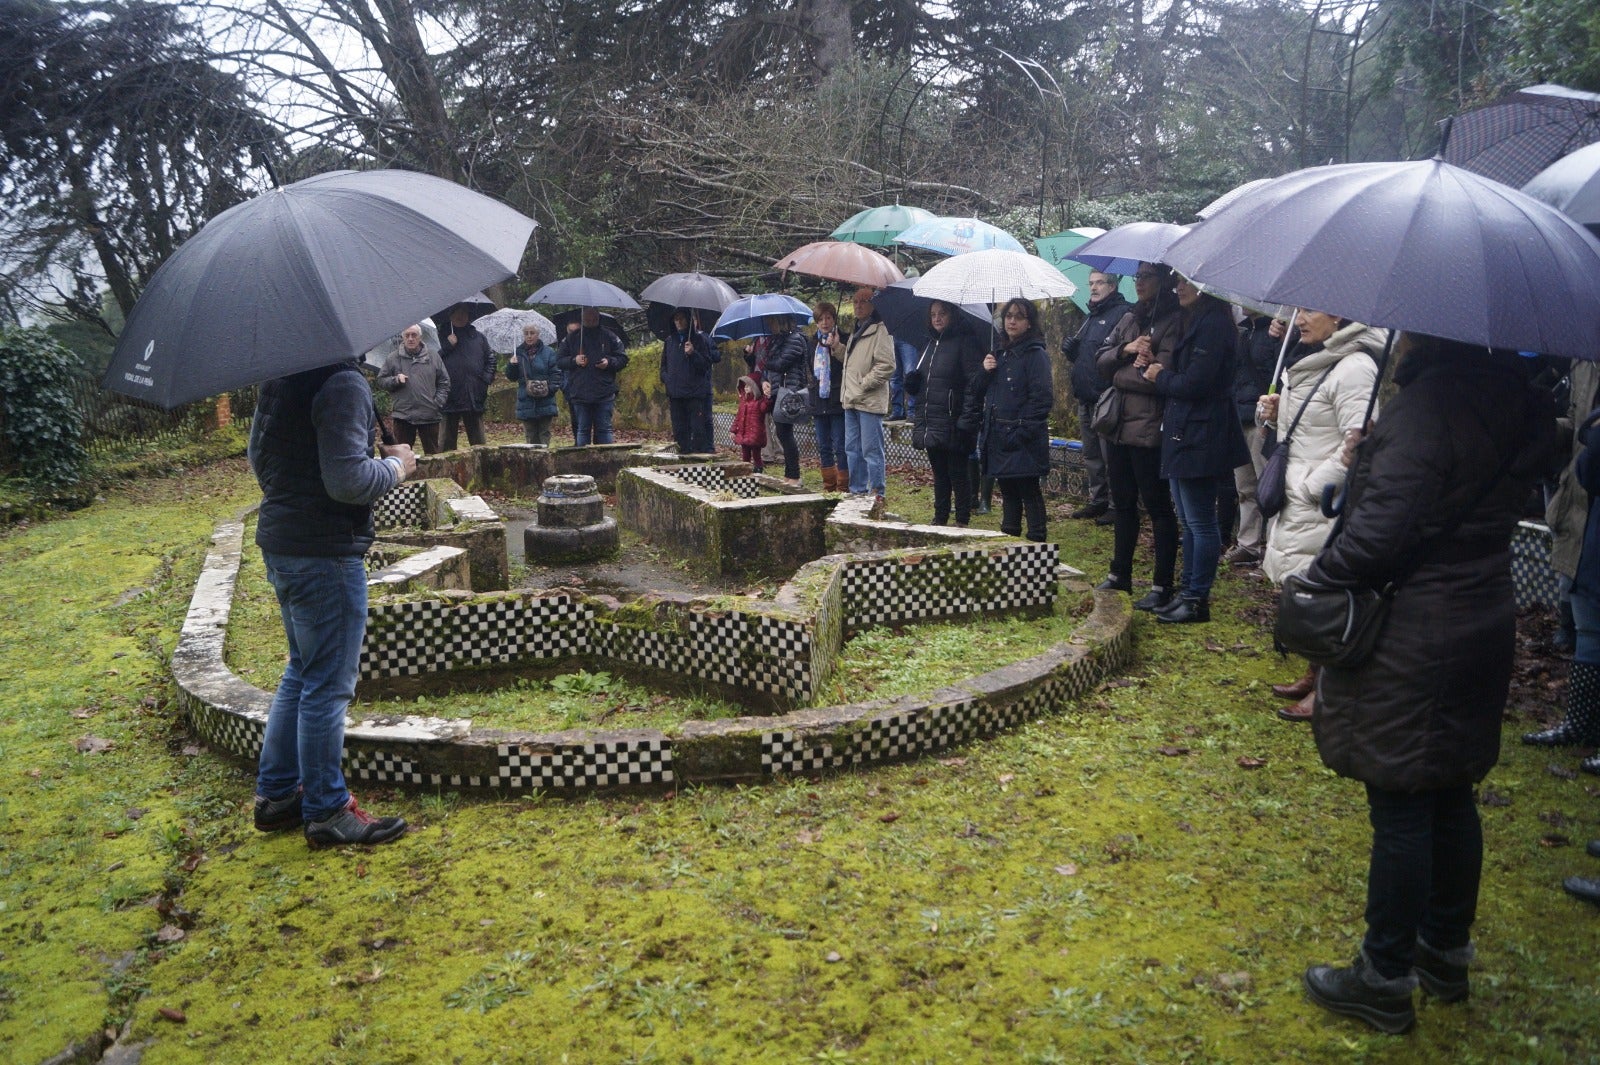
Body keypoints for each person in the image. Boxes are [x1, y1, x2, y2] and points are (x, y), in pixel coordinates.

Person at [1300, 336, 1555, 1035]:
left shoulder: (1433, 404)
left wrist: (1315, 582)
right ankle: (1444, 952)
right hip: (1480, 614)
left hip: (1417, 626)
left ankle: (1382, 976)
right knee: (1448, 787)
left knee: (1403, 798)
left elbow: (1383, 531)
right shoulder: (1512, 400)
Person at [248, 359, 416, 847]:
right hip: (325, 553)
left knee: (302, 670)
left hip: (282, 542)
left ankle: (277, 795)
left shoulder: (280, 375)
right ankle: (326, 811)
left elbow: (258, 459)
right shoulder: (343, 382)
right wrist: (395, 466)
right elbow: (346, 481)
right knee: (326, 685)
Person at [1257, 310, 1385, 717]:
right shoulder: (1312, 360)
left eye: (1309, 309)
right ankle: (1315, 673)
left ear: (1337, 314)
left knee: (1327, 595)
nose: (1299, 319)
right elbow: (1315, 429)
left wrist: (1315, 486)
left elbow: (1361, 442)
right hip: (1302, 498)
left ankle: (1330, 690)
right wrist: (1279, 416)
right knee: (1310, 590)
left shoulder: (1355, 368)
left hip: (1324, 503)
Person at [1138, 277, 1249, 623]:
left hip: (1202, 433)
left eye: (1186, 281)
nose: (1177, 287)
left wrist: (1161, 377)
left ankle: (1197, 598)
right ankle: (1186, 591)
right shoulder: (1197, 320)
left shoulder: (1215, 323)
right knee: (1188, 519)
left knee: (1200, 521)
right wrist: (1158, 365)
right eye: (1176, 281)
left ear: (1207, 285)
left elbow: (1198, 382)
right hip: (1185, 429)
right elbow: (1189, 375)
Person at [1094, 262, 1182, 611]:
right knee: (1123, 502)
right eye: (1137, 276)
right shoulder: (1131, 318)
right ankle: (1120, 573)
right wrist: (1125, 352)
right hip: (1117, 424)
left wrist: (1126, 373)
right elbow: (1099, 361)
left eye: (1145, 276)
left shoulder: (1174, 321)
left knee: (1159, 507)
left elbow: (1159, 376)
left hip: (1149, 428)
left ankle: (1162, 583)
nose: (1139, 282)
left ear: (1163, 280)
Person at [1526, 357, 1600, 748]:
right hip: (1582, 505)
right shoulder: (1585, 362)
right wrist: (1536, 424)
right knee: (1587, 621)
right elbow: (1576, 432)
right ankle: (1580, 725)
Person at [963, 297, 1053, 542]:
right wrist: (985, 370)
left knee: (1028, 490)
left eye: (1019, 316)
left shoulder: (1036, 354)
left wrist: (1021, 431)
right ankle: (1010, 539)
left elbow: (1042, 399)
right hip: (998, 435)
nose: (1012, 321)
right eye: (1009, 316)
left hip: (1023, 437)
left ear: (1029, 322)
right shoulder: (999, 353)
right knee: (1008, 491)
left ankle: (1037, 542)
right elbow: (977, 390)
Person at [907, 300, 985, 526]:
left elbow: (973, 385)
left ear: (952, 315)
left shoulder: (965, 342)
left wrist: (967, 419)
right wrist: (912, 383)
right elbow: (925, 382)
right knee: (939, 473)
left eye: (942, 313)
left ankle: (962, 518)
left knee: (957, 473)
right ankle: (940, 516)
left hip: (954, 418)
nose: (937, 318)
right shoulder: (928, 343)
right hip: (931, 418)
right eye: (933, 314)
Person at [1062, 271, 1131, 523]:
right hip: (1085, 395)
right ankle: (1097, 499)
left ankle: (1116, 503)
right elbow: (1089, 355)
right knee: (1092, 454)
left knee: (1110, 455)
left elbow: (1116, 354)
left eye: (1099, 282)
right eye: (1090, 283)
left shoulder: (1123, 313)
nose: (1093, 287)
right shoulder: (1091, 315)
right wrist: (1073, 352)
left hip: (1106, 395)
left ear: (1112, 285)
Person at [1224, 312, 1286, 566]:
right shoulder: (1242, 332)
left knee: (1267, 485)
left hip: (1264, 420)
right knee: (1244, 486)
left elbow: (1283, 374)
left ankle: (1272, 547)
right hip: (1240, 417)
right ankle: (1247, 544)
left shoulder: (1275, 332)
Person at [841, 287, 897, 501]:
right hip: (851, 399)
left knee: (871, 451)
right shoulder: (856, 329)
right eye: (855, 301)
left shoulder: (880, 330)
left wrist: (864, 383)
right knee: (852, 450)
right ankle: (857, 491)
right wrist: (838, 348)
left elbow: (887, 365)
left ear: (874, 304)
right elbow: (853, 365)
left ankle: (877, 493)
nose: (858, 305)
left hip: (869, 400)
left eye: (863, 301)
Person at [558, 307, 629, 445]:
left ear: (598, 318)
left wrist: (609, 362)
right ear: (583, 318)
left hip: (604, 391)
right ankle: (582, 462)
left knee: (604, 429)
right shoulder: (572, 338)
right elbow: (559, 360)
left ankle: (606, 461)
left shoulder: (610, 336)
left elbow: (623, 359)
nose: (591, 321)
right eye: (587, 318)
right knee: (582, 430)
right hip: (580, 391)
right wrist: (574, 360)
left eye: (594, 318)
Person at [377, 323, 450, 455]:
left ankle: (435, 477)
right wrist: (395, 380)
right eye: (407, 335)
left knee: (434, 456)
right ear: (402, 337)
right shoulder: (393, 358)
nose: (410, 338)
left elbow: (444, 381)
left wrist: (437, 402)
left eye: (414, 335)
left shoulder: (433, 356)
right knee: (401, 456)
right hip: (403, 416)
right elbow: (381, 380)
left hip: (429, 414)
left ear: (420, 337)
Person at [660, 309, 720, 454]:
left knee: (698, 429)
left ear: (688, 320)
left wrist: (693, 354)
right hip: (675, 394)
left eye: (682, 319)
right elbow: (664, 366)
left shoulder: (699, 340)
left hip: (694, 394)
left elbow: (705, 365)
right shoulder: (669, 341)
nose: (679, 322)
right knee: (680, 430)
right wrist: (668, 380)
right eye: (676, 319)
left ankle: (698, 457)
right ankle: (683, 455)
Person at [437, 304, 495, 451]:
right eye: (457, 312)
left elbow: (491, 359)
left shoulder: (478, 337)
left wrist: (484, 381)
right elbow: (431, 361)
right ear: (450, 315)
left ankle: (483, 472)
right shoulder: (440, 336)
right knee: (446, 445)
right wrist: (447, 346)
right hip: (448, 396)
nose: (460, 315)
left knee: (479, 445)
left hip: (473, 396)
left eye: (464, 312)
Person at [759, 315, 808, 484]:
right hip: (776, 392)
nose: (769, 324)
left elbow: (780, 363)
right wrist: (764, 381)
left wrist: (765, 361)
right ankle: (789, 474)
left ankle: (793, 475)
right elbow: (768, 370)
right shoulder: (776, 340)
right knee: (782, 433)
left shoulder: (795, 339)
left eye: (772, 321)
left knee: (785, 434)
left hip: (789, 393)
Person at [810, 301, 849, 492]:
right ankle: (829, 486)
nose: (824, 322)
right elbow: (808, 370)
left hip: (837, 400)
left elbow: (847, 367)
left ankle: (843, 486)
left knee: (840, 445)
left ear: (834, 319)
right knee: (823, 445)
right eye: (820, 319)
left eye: (828, 318)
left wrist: (836, 347)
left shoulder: (844, 339)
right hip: (819, 401)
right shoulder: (812, 343)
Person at [504, 323, 562, 446]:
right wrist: (512, 365)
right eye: (526, 333)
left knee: (544, 434)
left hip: (545, 400)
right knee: (530, 435)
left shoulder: (549, 352)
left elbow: (556, 374)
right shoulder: (517, 353)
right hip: (526, 400)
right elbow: (512, 377)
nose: (529, 336)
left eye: (532, 333)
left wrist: (549, 390)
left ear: (538, 334)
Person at [732, 372, 769, 471]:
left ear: (755, 387)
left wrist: (767, 398)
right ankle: (746, 470)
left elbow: (765, 408)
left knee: (756, 455)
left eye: (748, 386)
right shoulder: (743, 402)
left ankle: (759, 470)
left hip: (755, 434)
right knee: (745, 455)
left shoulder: (759, 402)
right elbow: (738, 417)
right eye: (744, 386)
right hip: (744, 433)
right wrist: (733, 430)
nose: (745, 388)